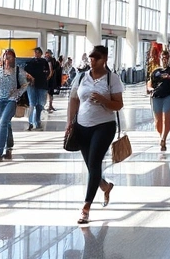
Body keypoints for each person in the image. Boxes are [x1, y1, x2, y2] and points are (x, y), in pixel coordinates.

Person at [65, 45, 123, 224]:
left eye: (96, 58)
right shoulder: (82, 77)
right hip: (82, 126)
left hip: (104, 126)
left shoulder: (112, 79)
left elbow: (118, 104)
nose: (92, 61)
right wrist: (69, 122)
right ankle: (105, 186)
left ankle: (86, 207)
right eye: (90, 58)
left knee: (94, 162)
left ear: (104, 59)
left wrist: (104, 100)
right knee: (92, 167)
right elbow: (74, 99)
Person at [0, 48, 28, 160]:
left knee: (2, 123)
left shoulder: (18, 71)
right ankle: (9, 148)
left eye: (9, 57)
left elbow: (25, 84)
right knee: (5, 124)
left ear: (13, 58)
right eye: (5, 57)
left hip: (11, 100)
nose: (7, 59)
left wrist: (17, 93)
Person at [147, 50, 170, 151]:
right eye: (163, 58)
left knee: (166, 119)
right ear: (160, 59)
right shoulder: (155, 71)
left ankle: (163, 139)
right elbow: (149, 83)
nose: (164, 60)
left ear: (169, 59)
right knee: (158, 121)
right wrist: (150, 89)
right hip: (156, 97)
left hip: (168, 96)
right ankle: (161, 135)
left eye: (166, 58)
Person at [24, 47, 51, 131]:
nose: (37, 54)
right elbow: (26, 72)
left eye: (38, 52)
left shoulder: (44, 62)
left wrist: (45, 78)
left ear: (41, 53)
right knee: (32, 103)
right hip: (32, 85)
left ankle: (37, 121)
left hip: (41, 85)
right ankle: (31, 122)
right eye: (36, 52)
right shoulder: (31, 62)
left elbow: (48, 72)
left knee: (39, 104)